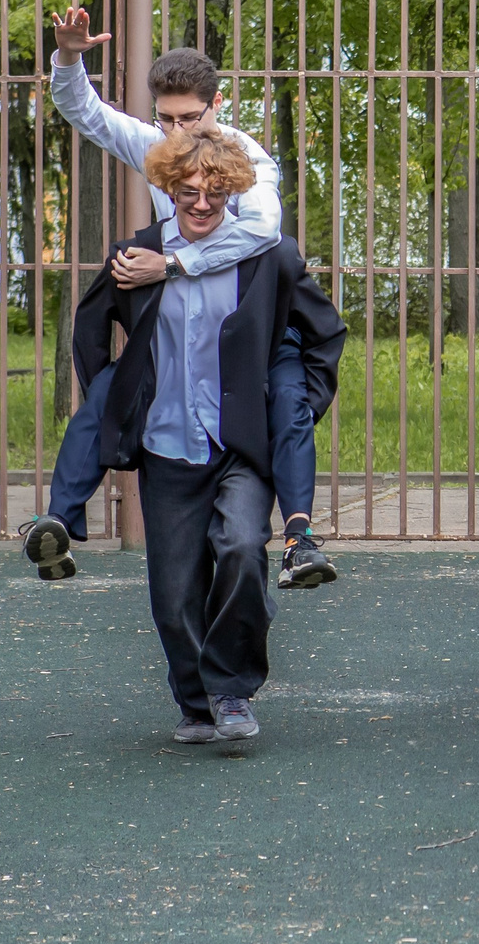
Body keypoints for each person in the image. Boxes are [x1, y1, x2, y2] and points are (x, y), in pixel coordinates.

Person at [22, 9, 337, 588]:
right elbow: (85, 113)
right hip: (182, 330)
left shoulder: (252, 164)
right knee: (115, 390)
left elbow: (262, 234)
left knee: (287, 404)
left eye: (190, 117)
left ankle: (299, 538)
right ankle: (58, 522)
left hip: (254, 325)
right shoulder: (158, 145)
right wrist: (69, 58)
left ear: (217, 106)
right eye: (166, 119)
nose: (179, 134)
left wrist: (168, 265)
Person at [68, 126, 346, 745]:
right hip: (168, 444)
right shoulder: (136, 255)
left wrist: (298, 404)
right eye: (189, 191)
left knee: (244, 548)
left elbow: (324, 331)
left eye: (216, 195)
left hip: (240, 446)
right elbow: (91, 327)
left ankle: (232, 691)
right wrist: (116, 403)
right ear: (169, 188)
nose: (200, 204)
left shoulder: (266, 254)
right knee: (173, 592)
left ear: (233, 195)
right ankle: (195, 704)